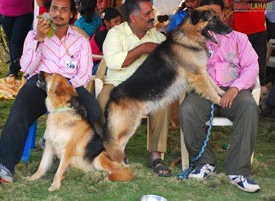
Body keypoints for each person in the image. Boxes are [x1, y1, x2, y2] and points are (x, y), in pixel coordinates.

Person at [0, 0, 100, 184]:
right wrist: (39, 40)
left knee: (93, 110)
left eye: (64, 10)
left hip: (68, 86)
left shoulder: (80, 41)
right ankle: (4, 165)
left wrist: (65, 86)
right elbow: (26, 66)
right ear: (48, 11)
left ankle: (64, 147)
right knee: (20, 110)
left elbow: (84, 73)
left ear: (72, 15)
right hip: (41, 82)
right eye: (54, 9)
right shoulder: (34, 36)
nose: (58, 13)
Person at [179, 0, 261, 193]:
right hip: (204, 92)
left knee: (249, 107)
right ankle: (205, 162)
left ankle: (238, 171)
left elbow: (252, 67)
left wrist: (235, 88)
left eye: (216, 14)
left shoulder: (240, 38)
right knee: (187, 110)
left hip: (233, 91)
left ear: (225, 15)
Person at [97, 0, 172, 177]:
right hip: (117, 84)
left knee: (163, 102)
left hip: (147, 89)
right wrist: (143, 48)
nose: (152, 17)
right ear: (133, 17)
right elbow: (115, 62)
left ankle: (156, 155)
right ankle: (113, 150)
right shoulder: (116, 34)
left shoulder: (158, 37)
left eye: (151, 12)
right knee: (101, 103)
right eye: (147, 14)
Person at [0, 0, 34, 83]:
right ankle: (14, 70)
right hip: (4, 11)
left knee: (16, 41)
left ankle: (21, 69)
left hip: (24, 11)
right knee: (12, 42)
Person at [90, 7, 122, 74]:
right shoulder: (101, 35)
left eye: (120, 21)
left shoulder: (112, 32)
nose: (119, 24)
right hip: (94, 65)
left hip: (103, 61)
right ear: (106, 22)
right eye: (116, 22)